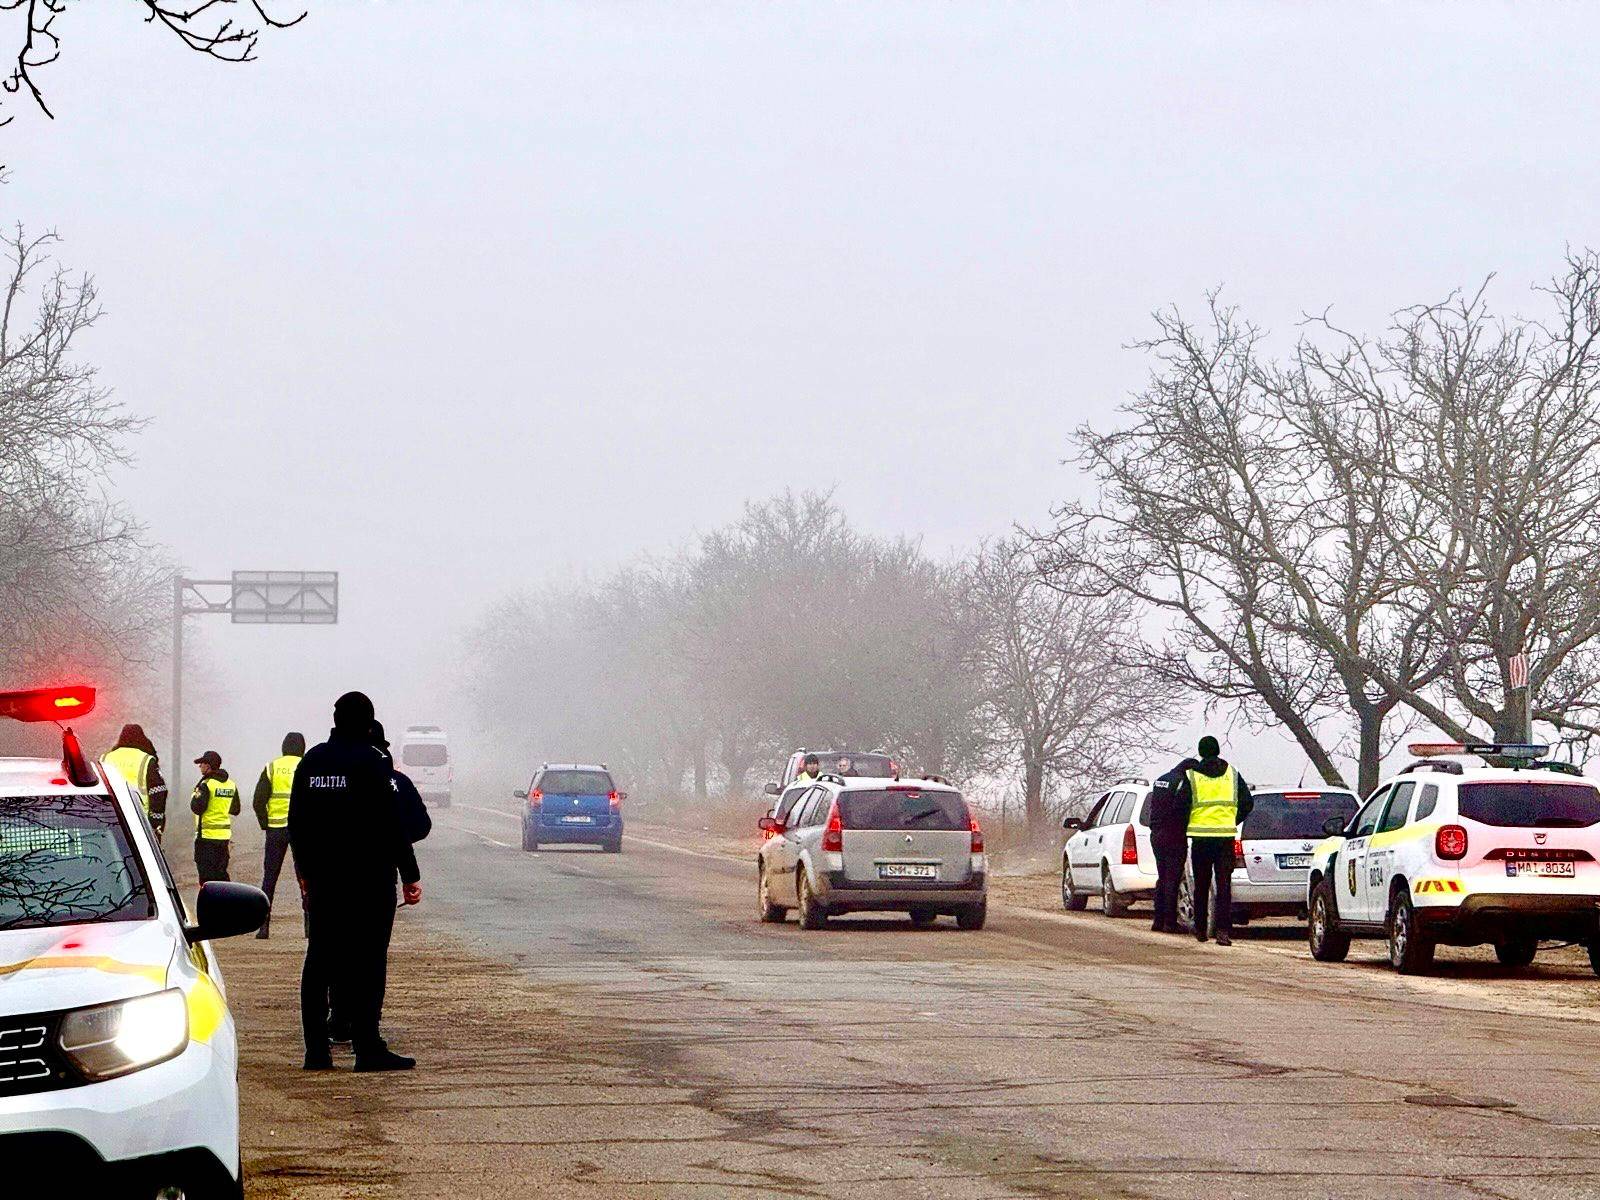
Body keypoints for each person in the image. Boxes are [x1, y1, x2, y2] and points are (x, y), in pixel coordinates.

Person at [290, 691, 421, 1073]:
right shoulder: (372, 762)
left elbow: (296, 823)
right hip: (369, 881)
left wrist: (304, 874)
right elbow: (392, 824)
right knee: (368, 963)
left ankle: (316, 1052)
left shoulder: (312, 761)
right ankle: (368, 1049)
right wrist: (410, 875)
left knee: (319, 962)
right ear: (367, 723)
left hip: (324, 881)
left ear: (335, 720)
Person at [1173, 735, 1253, 946]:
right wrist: (1232, 820)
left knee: (1201, 885)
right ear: (1217, 750)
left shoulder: (1191, 777)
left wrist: (1188, 824)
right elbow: (1247, 802)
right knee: (1224, 886)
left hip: (1201, 839)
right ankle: (1223, 931)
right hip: (1225, 838)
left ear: (1201, 752)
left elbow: (1179, 806)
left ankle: (1201, 929)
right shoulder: (1232, 774)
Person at [252, 732, 306, 939]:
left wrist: (265, 823)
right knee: (305, 878)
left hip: (276, 830)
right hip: (301, 830)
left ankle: (263, 927)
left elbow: (258, 800)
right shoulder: (308, 766)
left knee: (270, 878)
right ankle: (309, 927)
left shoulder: (272, 767)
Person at [1147, 756, 1197, 934]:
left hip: (1156, 834)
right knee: (1173, 879)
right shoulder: (1183, 783)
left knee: (1162, 877)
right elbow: (1181, 809)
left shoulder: (1161, 780)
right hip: (1174, 835)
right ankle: (1169, 922)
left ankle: (1158, 921)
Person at [101, 723, 169, 842]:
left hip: (110, 820)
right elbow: (158, 793)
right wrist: (155, 825)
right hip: (140, 821)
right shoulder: (146, 760)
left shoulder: (105, 758)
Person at [190, 750, 240, 883]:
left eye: (202, 763)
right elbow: (235, 809)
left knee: (206, 880)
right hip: (223, 838)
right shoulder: (231, 784)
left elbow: (197, 808)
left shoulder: (206, 784)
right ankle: (227, 897)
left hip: (206, 838)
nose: (200, 766)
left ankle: (209, 898)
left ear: (208, 765)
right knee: (221, 875)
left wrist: (195, 794)